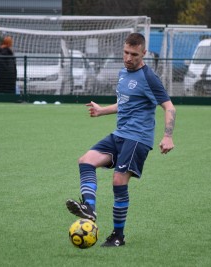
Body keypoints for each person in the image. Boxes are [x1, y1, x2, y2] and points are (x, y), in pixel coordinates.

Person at [66, 33, 176, 247]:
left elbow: (169, 106)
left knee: (118, 181)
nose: (128, 58)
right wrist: (101, 111)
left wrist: (167, 136)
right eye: (126, 52)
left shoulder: (149, 77)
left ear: (143, 53)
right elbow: (125, 104)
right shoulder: (123, 73)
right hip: (119, 135)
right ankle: (89, 207)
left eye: (134, 54)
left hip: (138, 139)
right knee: (86, 160)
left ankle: (118, 236)